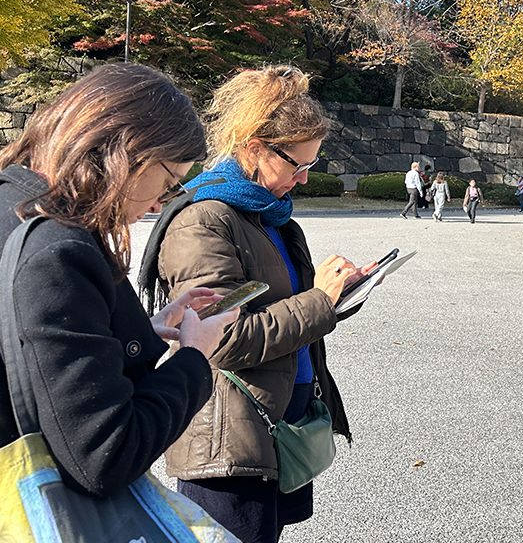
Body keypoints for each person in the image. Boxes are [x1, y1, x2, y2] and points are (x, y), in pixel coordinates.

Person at [146, 65, 361, 543]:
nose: (303, 179)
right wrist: (319, 299)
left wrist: (340, 292)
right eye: (296, 164)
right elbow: (225, 339)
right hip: (228, 438)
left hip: (279, 424)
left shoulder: (272, 217)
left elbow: (295, 310)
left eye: (311, 165)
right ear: (254, 148)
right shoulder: (202, 218)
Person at [0, 64, 236, 499]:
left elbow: (39, 355)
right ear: (127, 152)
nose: (157, 204)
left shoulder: (12, 201)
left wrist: (136, 330)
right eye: (168, 182)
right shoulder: (57, 248)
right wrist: (196, 356)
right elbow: (106, 456)